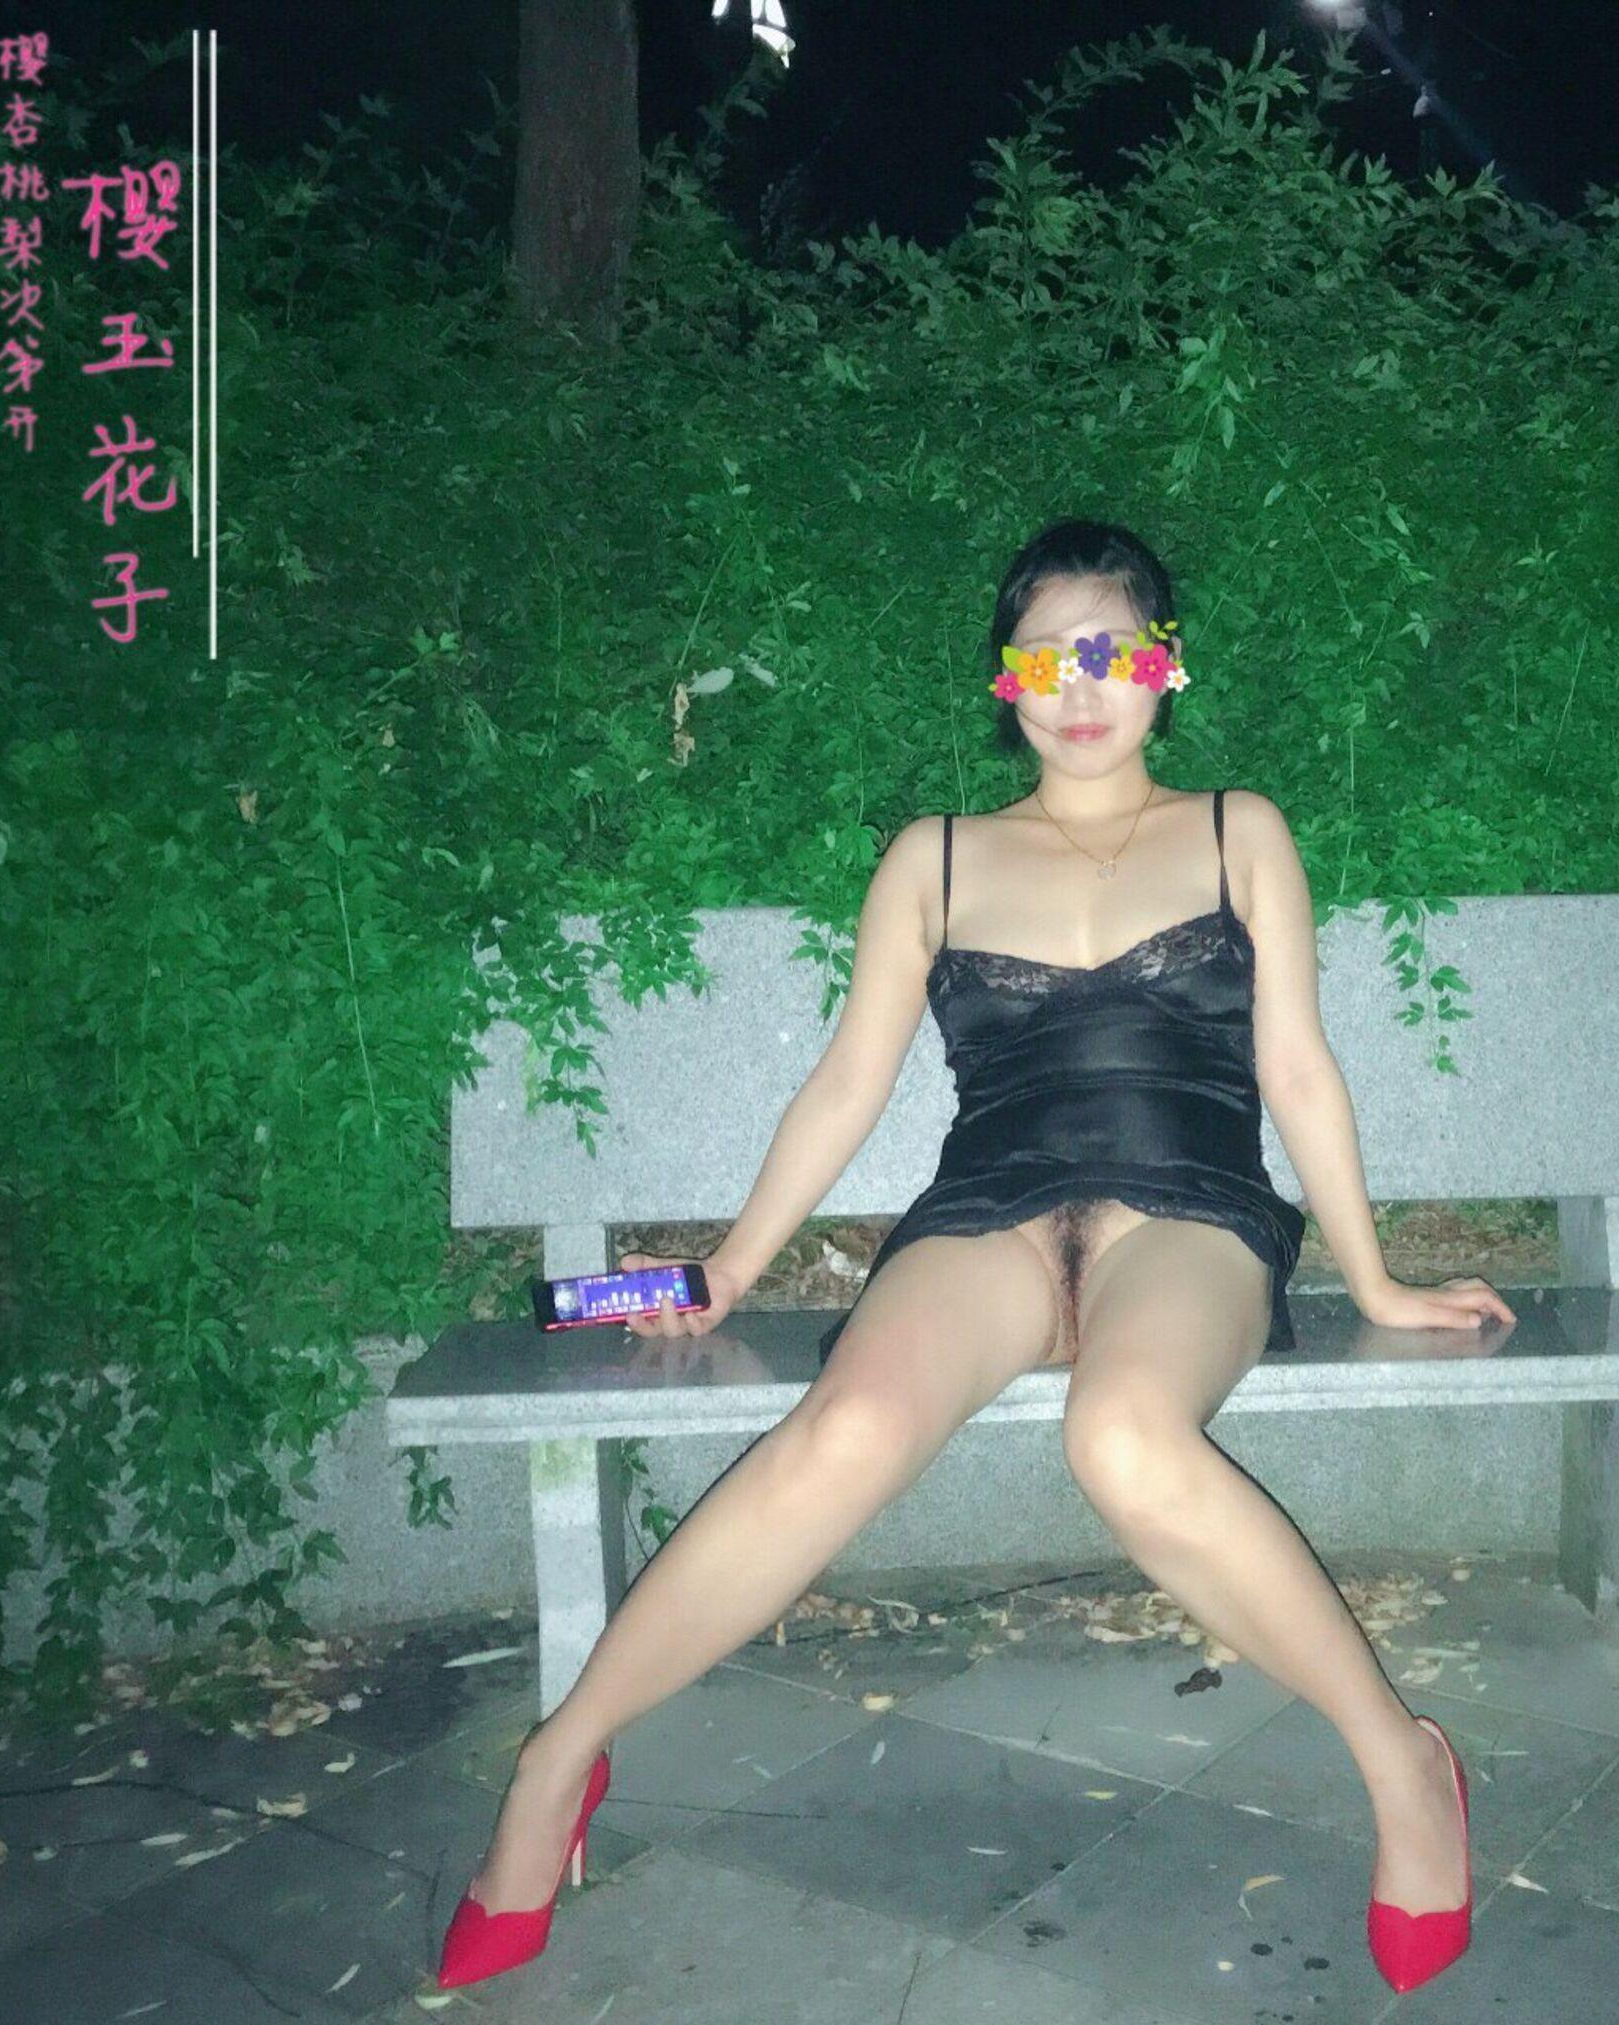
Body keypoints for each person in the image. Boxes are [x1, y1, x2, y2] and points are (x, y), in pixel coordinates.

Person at [437, 518, 1515, 1997]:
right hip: (990, 1212)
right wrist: (733, 1268)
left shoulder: (1238, 831)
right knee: (846, 1428)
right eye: (1045, 659)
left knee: (1122, 1435)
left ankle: (1403, 1763)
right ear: (1005, 682)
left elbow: (1299, 1071)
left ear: (1166, 665)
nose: (1082, 687)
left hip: (1187, 1213)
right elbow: (846, 1084)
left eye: (1113, 651)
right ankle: (561, 1757)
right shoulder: (934, 858)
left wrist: (1375, 1279)